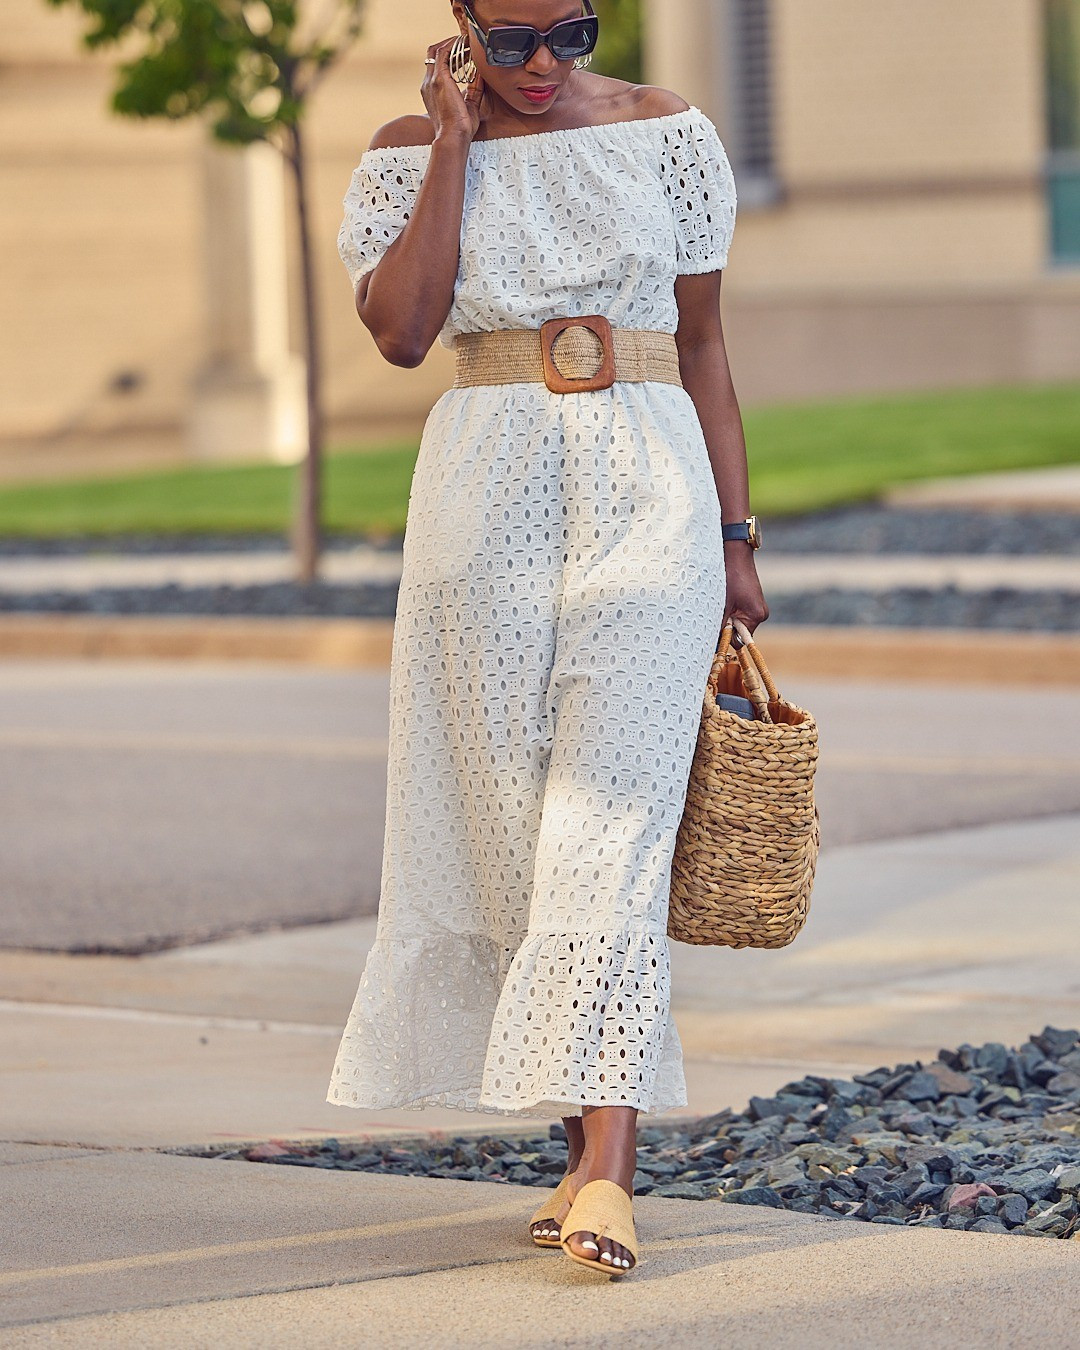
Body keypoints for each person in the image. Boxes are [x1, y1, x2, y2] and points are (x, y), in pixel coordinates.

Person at [326, 0, 768, 1277]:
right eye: (510, 39)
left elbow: (704, 345)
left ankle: (614, 1170)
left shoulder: (664, 131)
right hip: (485, 495)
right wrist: (456, 145)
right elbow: (404, 333)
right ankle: (577, 1149)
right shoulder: (411, 146)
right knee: (514, 821)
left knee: (613, 819)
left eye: (568, 36)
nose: (538, 67)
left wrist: (737, 541)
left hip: (651, 487)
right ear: (459, 24)